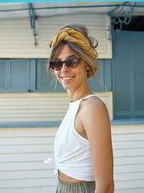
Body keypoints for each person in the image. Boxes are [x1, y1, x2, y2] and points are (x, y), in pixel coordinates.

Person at [47, 24, 114, 193]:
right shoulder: (76, 107)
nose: (63, 69)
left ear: (86, 64)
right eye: (57, 63)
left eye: (72, 61)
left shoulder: (92, 108)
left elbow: (106, 186)